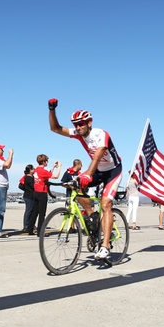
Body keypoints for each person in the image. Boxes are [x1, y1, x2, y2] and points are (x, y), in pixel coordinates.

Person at [47, 100, 122, 260]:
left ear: (89, 123)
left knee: (106, 204)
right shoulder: (78, 133)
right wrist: (52, 109)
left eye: (81, 124)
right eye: (75, 124)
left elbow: (97, 157)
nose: (78, 127)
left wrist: (87, 174)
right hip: (98, 170)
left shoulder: (101, 135)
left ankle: (105, 246)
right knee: (76, 186)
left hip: (113, 171)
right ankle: (92, 217)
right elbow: (55, 128)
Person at [27, 154, 61, 235]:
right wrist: (59, 167)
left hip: (36, 192)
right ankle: (40, 232)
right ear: (44, 162)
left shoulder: (36, 170)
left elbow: (47, 174)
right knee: (42, 213)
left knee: (35, 212)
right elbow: (56, 176)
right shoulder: (42, 171)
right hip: (42, 193)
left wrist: (53, 167)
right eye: (46, 161)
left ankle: (30, 229)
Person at [20, 164, 36, 234]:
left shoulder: (31, 177)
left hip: (31, 196)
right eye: (33, 169)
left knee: (31, 211)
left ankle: (30, 224)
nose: (34, 170)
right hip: (29, 196)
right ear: (30, 170)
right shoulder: (28, 178)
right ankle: (26, 225)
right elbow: (33, 186)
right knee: (29, 211)